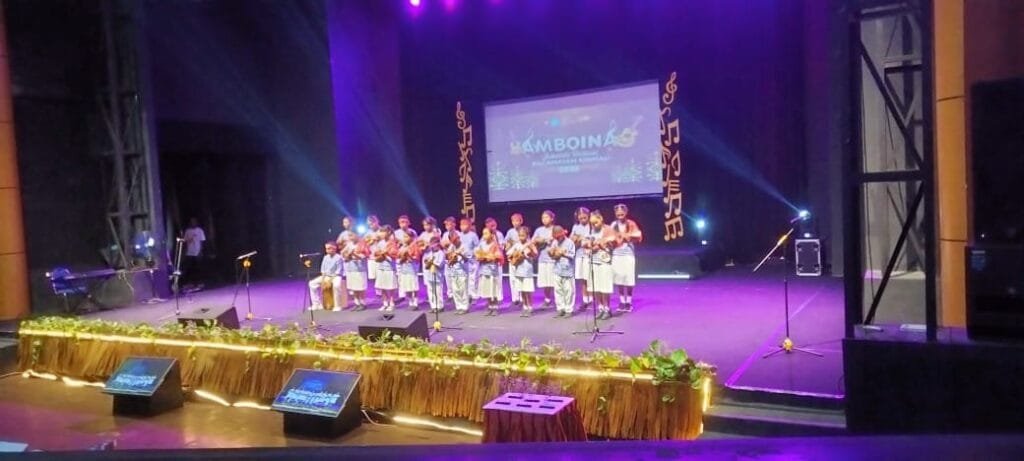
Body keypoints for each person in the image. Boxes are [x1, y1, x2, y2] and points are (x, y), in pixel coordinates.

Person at [584, 210, 617, 319]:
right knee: (596, 287)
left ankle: (607, 309)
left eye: (596, 223)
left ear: (601, 219)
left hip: (604, 261)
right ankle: (600, 308)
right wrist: (588, 246)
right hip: (593, 261)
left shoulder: (608, 229)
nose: (594, 225)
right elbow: (584, 243)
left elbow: (613, 239)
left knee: (604, 287)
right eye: (592, 223)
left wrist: (602, 242)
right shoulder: (591, 231)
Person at [611, 204, 643, 311]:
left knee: (628, 278)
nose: (620, 214)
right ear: (615, 214)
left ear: (626, 213)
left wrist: (628, 236)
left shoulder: (631, 223)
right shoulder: (613, 225)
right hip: (617, 254)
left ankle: (628, 301)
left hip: (628, 254)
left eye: (622, 212)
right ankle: (622, 301)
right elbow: (610, 237)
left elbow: (638, 235)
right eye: (618, 213)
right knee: (619, 277)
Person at [508, 226, 536, 316]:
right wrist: (513, 255)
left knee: (528, 291)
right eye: (519, 235)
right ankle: (525, 306)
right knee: (522, 291)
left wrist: (529, 252)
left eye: (523, 235)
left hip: (527, 272)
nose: (521, 237)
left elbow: (535, 254)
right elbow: (509, 254)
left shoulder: (530, 244)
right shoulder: (517, 245)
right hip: (518, 271)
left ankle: (530, 307)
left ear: (527, 235)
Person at [549, 225, 577, 318]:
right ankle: (560, 308)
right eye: (555, 237)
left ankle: (569, 309)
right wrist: (552, 253)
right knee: (558, 290)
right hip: (557, 269)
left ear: (563, 233)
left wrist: (563, 253)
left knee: (569, 291)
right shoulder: (555, 242)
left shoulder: (570, 242)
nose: (557, 238)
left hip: (568, 270)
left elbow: (572, 255)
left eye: (558, 236)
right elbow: (553, 255)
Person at [532, 210, 557, 309]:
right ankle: (547, 299)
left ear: (552, 218)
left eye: (546, 217)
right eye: (543, 217)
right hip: (542, 258)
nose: (544, 219)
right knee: (545, 281)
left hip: (553, 259)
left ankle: (558, 299)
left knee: (554, 280)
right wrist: (543, 240)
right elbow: (533, 241)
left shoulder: (555, 229)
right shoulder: (539, 230)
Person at [308, 241, 344, 311]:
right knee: (311, 283)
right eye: (326, 248)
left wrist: (329, 281)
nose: (327, 250)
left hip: (336, 276)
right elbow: (323, 270)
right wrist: (323, 280)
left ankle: (337, 305)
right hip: (326, 276)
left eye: (329, 248)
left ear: (334, 248)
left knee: (336, 285)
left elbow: (338, 272)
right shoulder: (325, 257)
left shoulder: (339, 258)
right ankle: (316, 304)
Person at [476, 227, 503, 315]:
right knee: (487, 289)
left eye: (486, 233)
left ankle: (495, 307)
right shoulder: (481, 244)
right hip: (484, 270)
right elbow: (477, 254)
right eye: (483, 234)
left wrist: (492, 257)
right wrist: (481, 257)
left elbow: (499, 256)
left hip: (492, 271)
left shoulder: (495, 245)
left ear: (491, 235)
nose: (484, 235)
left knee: (493, 289)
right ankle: (489, 306)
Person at [372, 225, 399, 311]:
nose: (381, 234)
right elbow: (376, 253)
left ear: (388, 232)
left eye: (383, 232)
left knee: (390, 286)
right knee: (382, 286)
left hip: (389, 267)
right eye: (381, 232)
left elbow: (394, 255)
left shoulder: (392, 243)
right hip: (381, 266)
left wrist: (386, 254)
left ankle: (391, 302)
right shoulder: (380, 243)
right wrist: (380, 254)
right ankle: (385, 302)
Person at [570, 207, 592, 310]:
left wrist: (584, 239)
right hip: (579, 254)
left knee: (589, 277)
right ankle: (585, 300)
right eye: (580, 216)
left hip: (589, 255)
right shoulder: (575, 227)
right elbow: (571, 241)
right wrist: (575, 239)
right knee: (582, 278)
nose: (582, 217)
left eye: (584, 216)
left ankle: (591, 299)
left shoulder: (591, 226)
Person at [340, 231, 369, 310]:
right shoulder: (349, 245)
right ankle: (356, 303)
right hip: (351, 269)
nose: (350, 238)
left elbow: (364, 256)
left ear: (357, 235)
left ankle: (363, 303)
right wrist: (346, 255)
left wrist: (353, 254)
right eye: (349, 236)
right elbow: (342, 253)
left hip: (360, 269)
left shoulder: (362, 244)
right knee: (353, 287)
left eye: (352, 235)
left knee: (360, 287)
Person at [444, 232, 471, 314]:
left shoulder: (464, 246)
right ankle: (459, 306)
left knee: (463, 289)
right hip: (453, 271)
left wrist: (461, 254)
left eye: (456, 239)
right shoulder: (451, 247)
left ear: (458, 238)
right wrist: (449, 256)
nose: (455, 242)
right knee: (455, 290)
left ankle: (465, 307)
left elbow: (467, 259)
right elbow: (447, 258)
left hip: (462, 271)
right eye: (453, 240)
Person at [396, 229, 422, 310]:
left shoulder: (415, 246)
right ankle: (410, 302)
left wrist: (409, 257)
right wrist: (401, 257)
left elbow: (417, 258)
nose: (404, 239)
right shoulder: (402, 247)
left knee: (413, 286)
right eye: (404, 237)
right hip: (404, 269)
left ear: (412, 237)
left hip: (412, 269)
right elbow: (398, 256)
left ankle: (415, 302)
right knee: (407, 286)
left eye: (406, 237)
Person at [504, 213, 526, 306]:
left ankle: (522, 297)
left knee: (521, 277)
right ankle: (515, 298)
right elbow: (506, 242)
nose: (515, 223)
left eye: (517, 221)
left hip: (521, 257)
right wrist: (508, 245)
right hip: (512, 257)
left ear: (521, 221)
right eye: (513, 221)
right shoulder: (510, 232)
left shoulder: (524, 230)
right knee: (513, 278)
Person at [484, 217, 505, 306]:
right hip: (488, 261)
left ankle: (499, 297)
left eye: (493, 225)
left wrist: (495, 237)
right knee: (489, 281)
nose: (491, 227)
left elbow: (502, 246)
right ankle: (490, 298)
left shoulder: (499, 234)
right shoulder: (485, 235)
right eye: (489, 226)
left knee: (498, 280)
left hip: (497, 260)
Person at [458, 218, 481, 301]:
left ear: (470, 226)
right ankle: (466, 294)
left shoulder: (473, 235)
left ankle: (473, 295)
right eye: (461, 224)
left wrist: (474, 254)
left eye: (465, 224)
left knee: (473, 278)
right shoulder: (459, 235)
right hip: (462, 260)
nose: (462, 226)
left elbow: (477, 247)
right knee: (464, 277)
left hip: (472, 260)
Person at [422, 236, 446, 312]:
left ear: (437, 244)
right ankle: (433, 306)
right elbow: (426, 264)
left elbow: (440, 264)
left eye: (433, 244)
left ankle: (440, 306)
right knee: (431, 291)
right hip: (430, 275)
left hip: (438, 276)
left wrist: (431, 262)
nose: (432, 246)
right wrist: (427, 262)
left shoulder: (441, 253)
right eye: (431, 244)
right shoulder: (430, 253)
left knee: (438, 291)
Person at [182, 217, 206, 288]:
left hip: (197, 252)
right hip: (189, 252)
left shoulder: (200, 230)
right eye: (192, 222)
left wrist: (200, 251)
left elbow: (202, 242)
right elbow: (185, 242)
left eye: (194, 221)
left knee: (198, 268)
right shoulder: (187, 231)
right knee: (190, 268)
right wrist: (185, 252)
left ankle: (199, 283)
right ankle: (190, 283)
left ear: (196, 222)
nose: (193, 223)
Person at [440, 216, 459, 302]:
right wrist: (444, 245)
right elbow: (442, 244)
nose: (448, 226)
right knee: (448, 277)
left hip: (455, 259)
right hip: (447, 258)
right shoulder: (445, 234)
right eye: (446, 225)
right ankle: (450, 294)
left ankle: (457, 294)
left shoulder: (458, 234)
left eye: (449, 224)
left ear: (454, 224)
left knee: (456, 277)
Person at [365, 215, 382, 297]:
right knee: (374, 275)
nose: (371, 226)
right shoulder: (368, 233)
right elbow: (364, 244)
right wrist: (371, 241)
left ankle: (382, 291)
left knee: (381, 274)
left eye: (372, 224)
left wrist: (379, 239)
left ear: (376, 222)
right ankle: (378, 291)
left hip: (381, 256)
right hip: (371, 256)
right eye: (369, 224)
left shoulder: (382, 230)